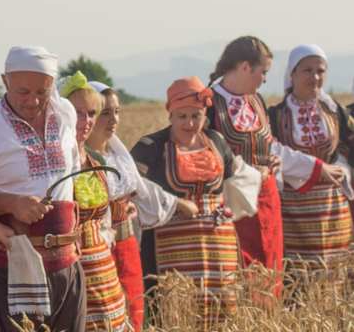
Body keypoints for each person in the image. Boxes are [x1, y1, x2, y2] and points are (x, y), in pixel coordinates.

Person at [0, 46, 85, 332]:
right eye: (23, 92)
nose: (33, 101)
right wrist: (12, 204)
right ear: (5, 81)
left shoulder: (65, 115)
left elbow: (73, 174)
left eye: (42, 92)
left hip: (65, 263)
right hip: (9, 265)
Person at [205, 36, 342, 291]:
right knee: (241, 269)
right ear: (245, 67)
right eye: (263, 72)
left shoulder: (256, 101)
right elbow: (202, 153)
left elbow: (269, 145)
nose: (265, 79)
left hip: (267, 200)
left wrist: (277, 160)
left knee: (271, 266)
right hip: (233, 203)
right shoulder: (210, 104)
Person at [131, 76, 261, 329]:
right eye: (183, 117)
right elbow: (132, 185)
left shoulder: (216, 141)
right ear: (170, 115)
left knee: (220, 313)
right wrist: (175, 203)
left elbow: (238, 177)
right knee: (176, 312)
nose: (190, 124)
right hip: (169, 252)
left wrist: (259, 175)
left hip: (217, 248)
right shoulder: (151, 147)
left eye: (196, 116)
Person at [84, 81, 180, 332]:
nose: (113, 119)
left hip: (127, 245)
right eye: (105, 112)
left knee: (133, 310)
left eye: (116, 112)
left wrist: (177, 204)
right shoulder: (79, 159)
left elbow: (142, 190)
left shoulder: (119, 156)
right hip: (96, 252)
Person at [267, 44, 354, 271]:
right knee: (299, 275)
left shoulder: (335, 112)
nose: (315, 77)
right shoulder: (274, 117)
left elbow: (347, 147)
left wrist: (340, 168)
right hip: (295, 213)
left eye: (320, 71)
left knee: (337, 275)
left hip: (334, 207)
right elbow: (269, 152)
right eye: (307, 70)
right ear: (292, 73)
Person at [61, 73, 129, 331]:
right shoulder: (53, 162)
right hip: (70, 268)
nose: (87, 121)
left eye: (92, 113)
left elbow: (106, 221)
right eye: (78, 113)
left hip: (103, 268)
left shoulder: (96, 162)